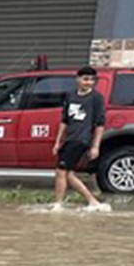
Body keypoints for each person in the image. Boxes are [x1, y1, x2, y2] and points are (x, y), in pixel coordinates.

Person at [51, 66, 111, 213]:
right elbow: (64, 121)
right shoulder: (71, 95)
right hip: (69, 139)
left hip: (81, 139)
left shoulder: (96, 98)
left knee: (61, 172)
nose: (89, 82)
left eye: (92, 80)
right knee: (68, 174)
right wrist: (58, 142)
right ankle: (93, 202)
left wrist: (95, 146)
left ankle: (59, 204)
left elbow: (100, 124)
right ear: (77, 79)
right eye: (85, 79)